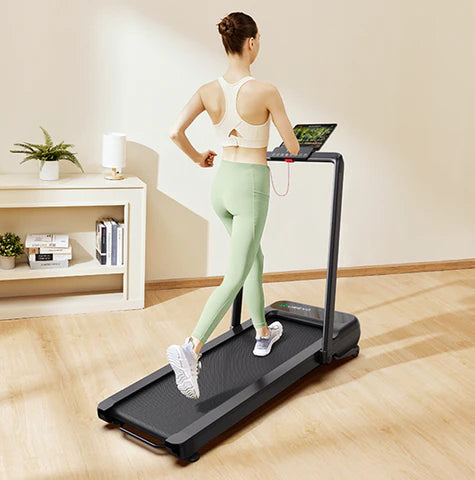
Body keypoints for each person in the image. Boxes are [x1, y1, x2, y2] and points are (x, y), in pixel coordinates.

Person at [166, 12, 300, 400]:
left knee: (254, 258)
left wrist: (197, 158)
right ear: (252, 42)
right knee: (237, 272)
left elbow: (175, 131)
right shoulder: (267, 91)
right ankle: (191, 348)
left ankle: (261, 332)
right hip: (250, 189)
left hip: (221, 186)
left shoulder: (208, 89)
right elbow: (291, 146)